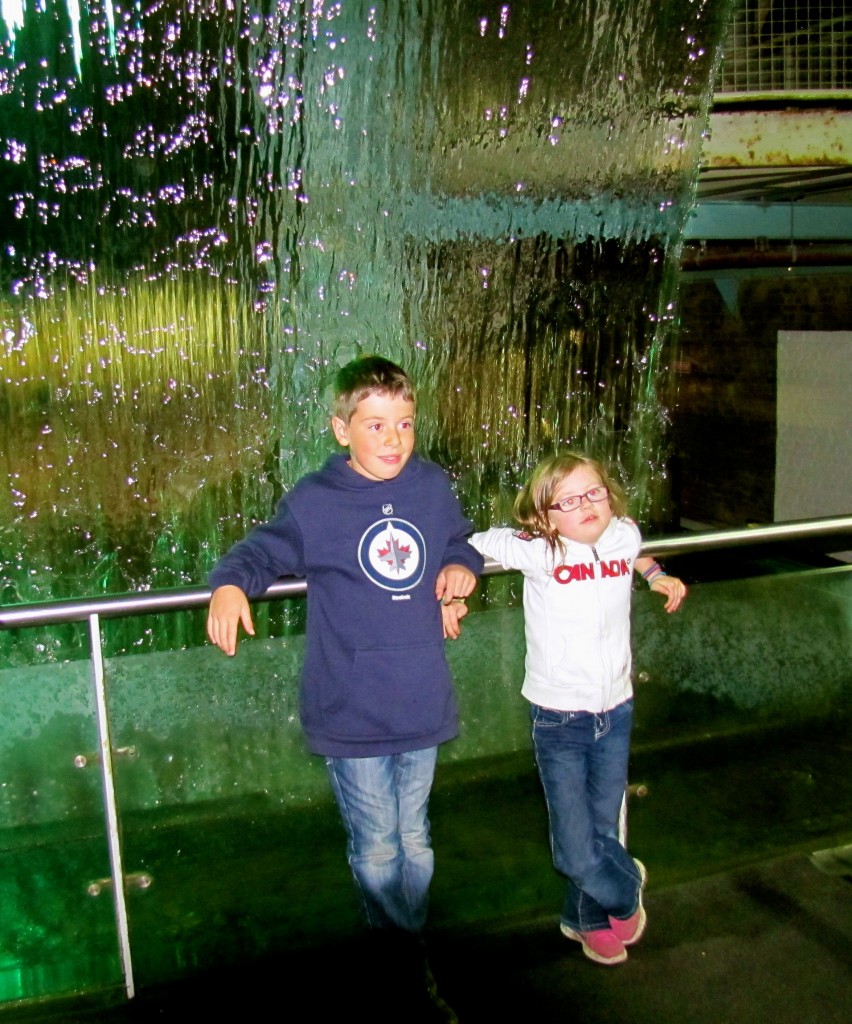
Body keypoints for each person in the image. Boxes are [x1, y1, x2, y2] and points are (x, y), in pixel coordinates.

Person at [207, 355, 482, 1016]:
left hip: (420, 697)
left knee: (414, 840)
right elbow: (259, 551)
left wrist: (459, 570)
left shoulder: (432, 486)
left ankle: (398, 954)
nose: (394, 439)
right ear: (341, 429)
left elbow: (463, 542)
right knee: (379, 849)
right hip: (350, 708)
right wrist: (226, 585)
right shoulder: (315, 501)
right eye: (376, 424)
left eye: (406, 424)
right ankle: (406, 967)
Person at [447, 451, 686, 966]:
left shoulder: (620, 533)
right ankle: (624, 886)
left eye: (595, 492)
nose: (587, 506)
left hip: (616, 709)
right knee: (574, 847)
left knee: (601, 828)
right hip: (559, 719)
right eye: (569, 500)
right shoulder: (536, 549)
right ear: (543, 516)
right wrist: (451, 589)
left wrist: (655, 574)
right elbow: (467, 545)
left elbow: (636, 549)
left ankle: (584, 918)